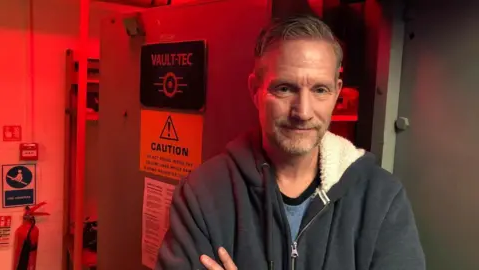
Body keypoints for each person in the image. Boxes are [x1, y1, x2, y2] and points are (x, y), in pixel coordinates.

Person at [156, 14, 425, 270]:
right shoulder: (202, 194)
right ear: (255, 91)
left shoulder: (381, 199)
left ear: (336, 94)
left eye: (320, 90)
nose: (303, 112)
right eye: (285, 88)